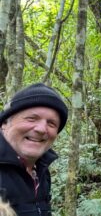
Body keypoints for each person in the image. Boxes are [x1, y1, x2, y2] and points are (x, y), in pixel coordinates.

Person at [0, 83, 68, 215]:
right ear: (4, 123)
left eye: (51, 123)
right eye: (31, 119)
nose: (42, 129)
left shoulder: (41, 169)